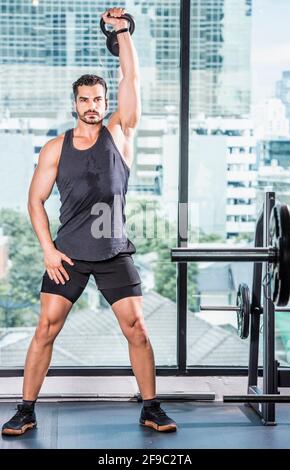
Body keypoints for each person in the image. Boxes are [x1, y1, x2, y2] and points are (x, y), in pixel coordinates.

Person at [2, 7, 177, 436]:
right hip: (70, 256)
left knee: (136, 328)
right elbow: (34, 200)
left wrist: (122, 32)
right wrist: (47, 250)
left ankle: (151, 407)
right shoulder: (55, 148)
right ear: (75, 103)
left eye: (99, 99)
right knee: (45, 329)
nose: (93, 106)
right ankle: (25, 410)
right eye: (85, 100)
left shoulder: (120, 133)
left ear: (104, 102)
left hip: (114, 250)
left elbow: (131, 82)